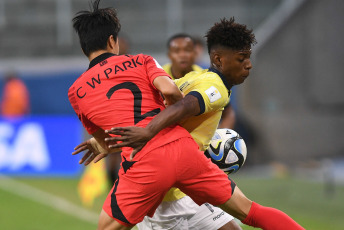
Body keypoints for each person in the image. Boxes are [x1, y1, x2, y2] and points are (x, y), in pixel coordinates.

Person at [69, 1, 304, 229]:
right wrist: (166, 124)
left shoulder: (76, 92)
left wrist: (102, 143)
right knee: (249, 211)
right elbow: (170, 90)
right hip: (182, 150)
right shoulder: (142, 61)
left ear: (83, 48)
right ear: (113, 40)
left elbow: (113, 137)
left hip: (145, 165)